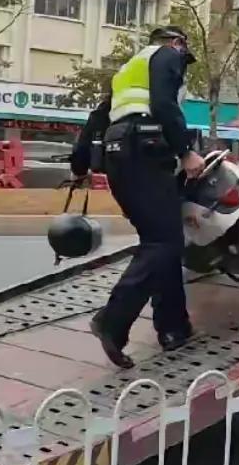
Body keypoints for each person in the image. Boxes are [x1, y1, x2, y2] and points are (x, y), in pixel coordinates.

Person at [71, 26, 205, 369]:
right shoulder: (165, 55)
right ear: (177, 43)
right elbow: (163, 105)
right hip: (143, 150)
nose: (182, 67)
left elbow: (96, 119)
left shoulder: (126, 74)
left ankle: (174, 328)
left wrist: (79, 165)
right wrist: (186, 152)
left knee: (164, 241)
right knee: (164, 242)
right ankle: (112, 321)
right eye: (184, 58)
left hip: (120, 158)